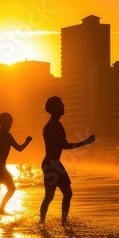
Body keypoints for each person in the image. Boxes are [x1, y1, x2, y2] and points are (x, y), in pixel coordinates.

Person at [39, 96, 95, 225]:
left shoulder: (51, 124)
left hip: (51, 163)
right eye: (61, 105)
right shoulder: (55, 125)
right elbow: (65, 145)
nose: (63, 107)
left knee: (53, 196)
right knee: (61, 195)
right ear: (55, 108)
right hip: (52, 164)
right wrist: (86, 142)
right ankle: (60, 223)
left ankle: (46, 222)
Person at [0, 112, 32, 217]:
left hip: (1, 167)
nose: (10, 126)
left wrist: (27, 142)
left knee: (11, 188)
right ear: (2, 123)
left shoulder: (8, 136)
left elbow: (19, 148)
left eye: (11, 123)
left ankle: (0, 209)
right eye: (8, 123)